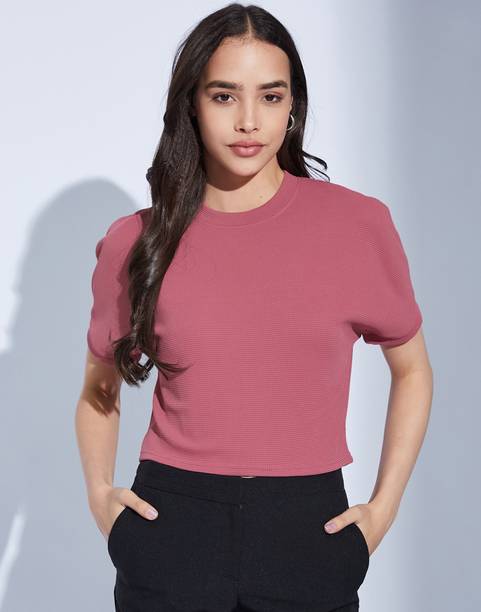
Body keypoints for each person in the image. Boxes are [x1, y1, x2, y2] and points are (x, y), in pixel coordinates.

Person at [75, 3, 433, 611]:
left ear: (293, 106)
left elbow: (413, 369)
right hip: (172, 525)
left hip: (308, 530)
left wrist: (383, 508)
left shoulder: (356, 225)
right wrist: (100, 496)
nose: (248, 121)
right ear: (192, 103)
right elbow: (98, 386)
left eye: (270, 96)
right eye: (224, 96)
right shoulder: (136, 240)